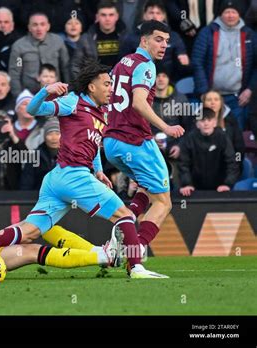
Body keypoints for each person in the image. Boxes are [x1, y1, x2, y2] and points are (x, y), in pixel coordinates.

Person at [0, 59, 169, 278]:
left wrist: (99, 170)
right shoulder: (71, 102)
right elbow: (33, 109)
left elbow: (93, 145)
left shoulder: (102, 113)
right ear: (92, 87)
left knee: (30, 230)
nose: (111, 89)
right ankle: (135, 266)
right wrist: (46, 90)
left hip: (59, 177)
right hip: (72, 174)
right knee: (125, 216)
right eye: (107, 84)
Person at [103, 20, 185, 273]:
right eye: (158, 39)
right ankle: (132, 257)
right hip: (134, 141)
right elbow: (139, 103)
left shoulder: (122, 62)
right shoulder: (146, 66)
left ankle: (122, 230)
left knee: (146, 189)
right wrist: (166, 127)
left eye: (167, 41)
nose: (164, 45)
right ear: (144, 40)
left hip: (112, 143)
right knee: (164, 202)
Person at [192, 0, 257, 130]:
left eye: (234, 12)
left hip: (237, 98)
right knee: (209, 133)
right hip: (212, 96)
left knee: (236, 135)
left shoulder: (249, 34)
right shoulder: (208, 32)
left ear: (239, 14)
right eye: (227, 12)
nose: (230, 15)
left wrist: (250, 89)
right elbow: (197, 61)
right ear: (221, 14)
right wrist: (205, 92)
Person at [119, 0, 190, 82]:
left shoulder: (174, 37)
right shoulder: (132, 38)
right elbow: (123, 64)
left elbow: (183, 63)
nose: (154, 16)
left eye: (158, 13)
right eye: (151, 13)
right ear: (144, 15)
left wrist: (184, 62)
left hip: (169, 82)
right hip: (138, 81)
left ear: (163, 16)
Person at [178, 107, 240, 195]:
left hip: (221, 188)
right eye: (202, 120)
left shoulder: (223, 138)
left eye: (209, 120)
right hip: (194, 188)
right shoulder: (189, 139)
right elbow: (183, 164)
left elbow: (232, 162)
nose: (206, 123)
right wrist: (186, 184)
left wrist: (227, 184)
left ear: (214, 123)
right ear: (197, 124)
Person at [8, 12, 70, 97]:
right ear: (29, 28)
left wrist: (69, 92)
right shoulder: (19, 46)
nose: (39, 28)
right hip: (29, 95)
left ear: (48, 27)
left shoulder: (57, 41)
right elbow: (15, 73)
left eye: (42, 24)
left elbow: (66, 68)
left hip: (55, 93)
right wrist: (19, 97)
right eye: (35, 25)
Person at [72, 1, 125, 77]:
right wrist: (81, 86)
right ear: (97, 17)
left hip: (120, 82)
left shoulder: (126, 38)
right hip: (94, 83)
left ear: (117, 16)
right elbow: (76, 64)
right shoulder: (86, 39)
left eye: (111, 15)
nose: (107, 19)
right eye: (103, 15)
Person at [201, 90, 246, 174]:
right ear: (203, 103)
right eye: (209, 100)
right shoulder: (195, 121)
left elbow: (239, 149)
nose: (212, 102)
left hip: (228, 169)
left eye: (216, 99)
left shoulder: (231, 121)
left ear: (221, 102)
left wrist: (236, 163)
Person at [20, 117, 60, 190]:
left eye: (57, 134)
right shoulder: (34, 156)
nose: (54, 138)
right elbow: (26, 183)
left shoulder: (70, 156)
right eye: (50, 134)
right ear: (44, 137)